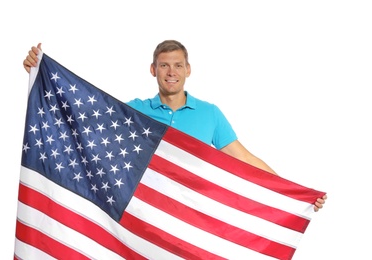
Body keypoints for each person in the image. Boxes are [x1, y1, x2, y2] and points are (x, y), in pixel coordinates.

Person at [23, 40, 327, 211]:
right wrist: (39, 73)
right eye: (165, 65)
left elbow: (244, 159)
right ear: (153, 70)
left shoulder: (209, 114)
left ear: (188, 70)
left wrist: (294, 192)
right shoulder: (135, 111)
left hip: (193, 213)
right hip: (143, 211)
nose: (171, 72)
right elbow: (82, 119)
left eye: (178, 65)